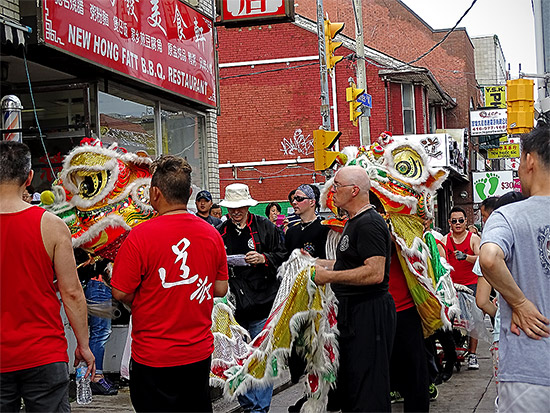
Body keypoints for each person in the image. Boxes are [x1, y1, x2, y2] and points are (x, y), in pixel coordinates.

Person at [111, 155, 229, 413]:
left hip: (153, 355)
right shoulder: (212, 234)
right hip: (197, 353)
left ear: (154, 193)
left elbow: (120, 291)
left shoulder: (139, 236)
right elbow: (220, 289)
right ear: (188, 193)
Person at [0, 141, 95, 412]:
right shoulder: (52, 226)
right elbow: (72, 292)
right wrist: (83, 345)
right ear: (29, 177)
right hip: (43, 352)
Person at [480, 123, 550, 412]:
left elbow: (489, 258)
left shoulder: (507, 216)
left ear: (530, 160)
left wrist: (519, 302)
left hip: (529, 369)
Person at [314, 166, 396, 412]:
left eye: (337, 185)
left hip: (369, 313)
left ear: (354, 191)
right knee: (354, 383)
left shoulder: (369, 223)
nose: (332, 190)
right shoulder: (354, 222)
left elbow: (374, 272)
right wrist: (315, 263)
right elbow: (350, 263)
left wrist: (328, 276)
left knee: (369, 387)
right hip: (353, 313)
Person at [218, 183, 286, 413]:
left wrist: (263, 258)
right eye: (232, 208)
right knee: (238, 359)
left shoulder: (265, 226)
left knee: (261, 358)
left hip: (261, 300)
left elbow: (282, 256)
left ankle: (261, 408)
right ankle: (248, 404)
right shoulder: (220, 231)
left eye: (240, 208)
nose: (236, 212)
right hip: (234, 305)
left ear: (248, 206)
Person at [285, 184, 330, 412]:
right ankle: (308, 395)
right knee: (299, 352)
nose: (294, 202)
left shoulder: (324, 229)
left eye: (300, 199)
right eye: (293, 199)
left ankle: (321, 398)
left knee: (319, 350)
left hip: (320, 299)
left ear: (312, 202)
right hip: (296, 299)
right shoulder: (291, 232)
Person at [442, 206, 481, 370]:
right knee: (449, 321)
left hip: (471, 285)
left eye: (460, 220)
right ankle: (451, 351)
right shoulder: (445, 240)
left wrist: (466, 257)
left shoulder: (473, 239)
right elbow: (441, 262)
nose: (457, 224)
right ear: (449, 222)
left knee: (475, 320)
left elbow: (481, 259)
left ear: (466, 221)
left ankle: (472, 354)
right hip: (451, 287)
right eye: (454, 221)